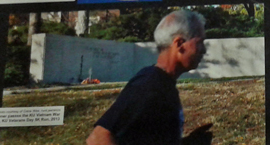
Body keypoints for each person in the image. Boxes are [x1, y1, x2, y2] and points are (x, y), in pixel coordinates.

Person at [86, 9, 206, 145]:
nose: (204, 50)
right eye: (200, 42)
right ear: (179, 44)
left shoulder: (164, 84)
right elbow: (98, 138)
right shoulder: (149, 86)